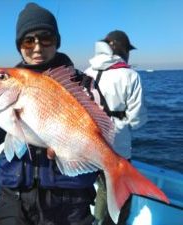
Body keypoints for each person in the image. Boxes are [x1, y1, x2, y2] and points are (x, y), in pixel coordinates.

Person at [0, 3, 98, 225]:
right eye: (28, 40)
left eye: (46, 38)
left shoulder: (82, 84)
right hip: (14, 193)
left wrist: (72, 148)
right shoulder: (8, 83)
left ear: (57, 41)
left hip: (69, 200)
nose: (37, 47)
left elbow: (99, 131)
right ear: (19, 45)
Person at [84, 30, 148, 225]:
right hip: (118, 143)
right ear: (120, 48)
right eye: (128, 49)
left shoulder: (87, 72)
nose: (129, 53)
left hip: (88, 140)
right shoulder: (130, 76)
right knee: (113, 187)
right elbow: (137, 119)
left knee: (94, 183)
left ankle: (92, 218)